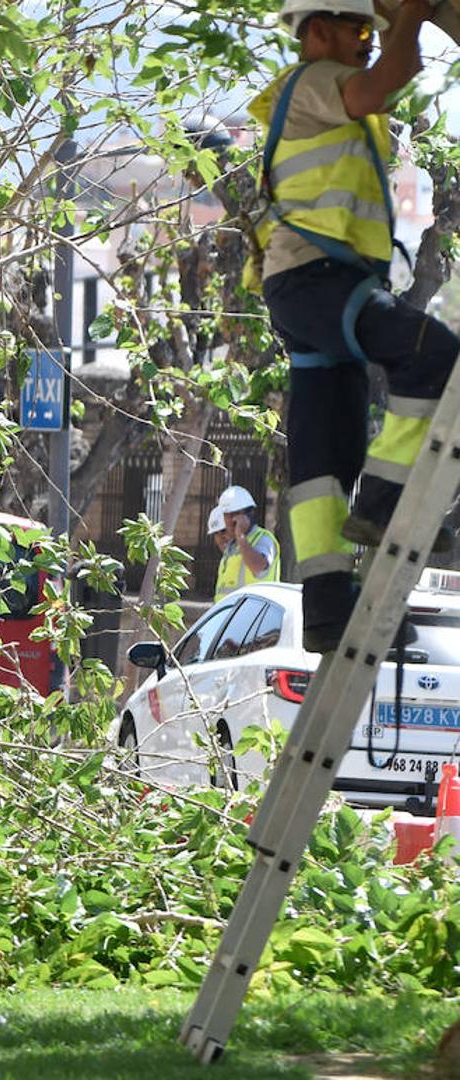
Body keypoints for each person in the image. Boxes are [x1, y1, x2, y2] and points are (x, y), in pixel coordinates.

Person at [252, 0, 459, 651]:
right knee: (434, 354)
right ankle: (384, 506)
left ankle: (325, 610)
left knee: (323, 461)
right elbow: (388, 77)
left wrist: (404, 27)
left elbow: (402, 66)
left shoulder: (332, 92)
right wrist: (416, 11)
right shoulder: (315, 82)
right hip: (317, 280)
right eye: (359, 30)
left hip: (315, 288)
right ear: (318, 32)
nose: (370, 43)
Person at [213, 486, 281, 599]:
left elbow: (258, 567)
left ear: (247, 515)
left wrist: (240, 536)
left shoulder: (263, 539)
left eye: (233, 514)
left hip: (255, 614)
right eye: (226, 515)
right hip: (232, 614)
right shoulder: (232, 546)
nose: (229, 520)